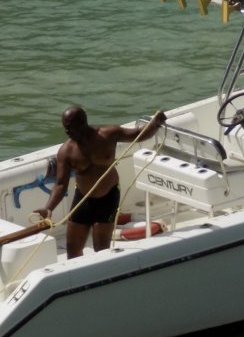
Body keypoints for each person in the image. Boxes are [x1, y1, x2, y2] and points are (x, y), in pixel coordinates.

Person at [35, 105, 167, 258]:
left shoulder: (108, 135)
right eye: (65, 127)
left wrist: (155, 123)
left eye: (70, 127)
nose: (66, 131)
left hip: (108, 197)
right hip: (83, 199)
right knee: (72, 250)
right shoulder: (66, 151)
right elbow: (60, 184)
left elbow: (138, 134)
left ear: (82, 122)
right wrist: (49, 208)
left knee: (101, 250)